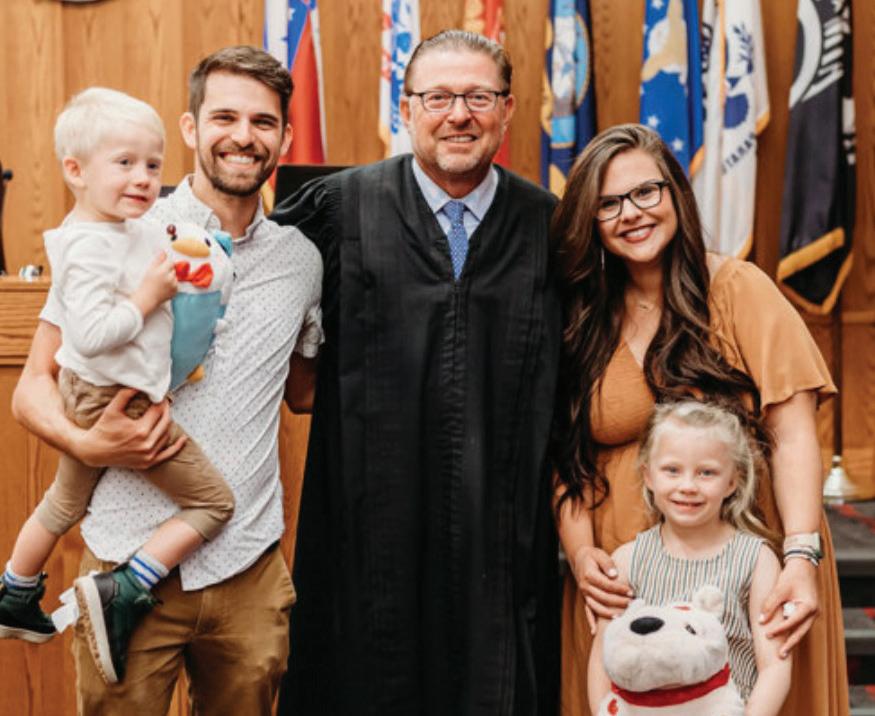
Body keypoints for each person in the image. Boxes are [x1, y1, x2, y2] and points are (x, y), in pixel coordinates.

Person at [11, 46, 323, 714]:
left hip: (247, 568)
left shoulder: (301, 261)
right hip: (124, 559)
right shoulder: (122, 231)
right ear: (190, 127)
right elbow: (32, 385)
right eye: (225, 117)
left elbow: (303, 391)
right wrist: (86, 444)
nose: (244, 136)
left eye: (263, 122)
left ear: (285, 138)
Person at [272, 29, 561, 716]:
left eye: (478, 97)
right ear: (406, 109)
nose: (458, 114)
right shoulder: (338, 209)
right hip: (366, 530)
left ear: (508, 109)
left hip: (502, 537)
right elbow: (243, 288)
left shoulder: (551, 226)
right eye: (438, 97)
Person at [551, 123, 848, 716]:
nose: (631, 213)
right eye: (608, 203)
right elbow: (566, 460)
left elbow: (793, 434)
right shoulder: (581, 317)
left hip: (747, 569)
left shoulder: (738, 289)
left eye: (645, 192)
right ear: (589, 219)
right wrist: (583, 557)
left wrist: (800, 555)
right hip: (626, 581)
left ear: (676, 194)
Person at [0, 87, 236, 686]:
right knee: (214, 503)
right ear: (75, 171)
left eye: (153, 165)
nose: (143, 178)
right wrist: (147, 297)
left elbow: (163, 255)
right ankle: (125, 587)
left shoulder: (119, 227)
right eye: (125, 163)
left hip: (100, 393)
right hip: (113, 400)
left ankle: (15, 593)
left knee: (64, 503)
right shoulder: (86, 247)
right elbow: (93, 332)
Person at [587, 400, 791, 715]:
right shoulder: (628, 560)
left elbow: (775, 665)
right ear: (648, 476)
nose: (687, 486)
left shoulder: (757, 560)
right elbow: (603, 657)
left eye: (706, 473)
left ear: (732, 481)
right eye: (672, 470)